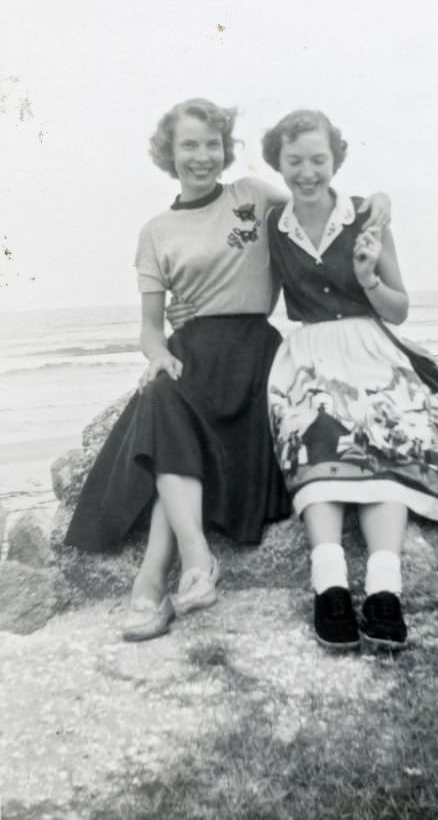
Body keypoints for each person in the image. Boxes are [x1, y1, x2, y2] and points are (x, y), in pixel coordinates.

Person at [64, 98, 390, 643]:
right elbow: (149, 326)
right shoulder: (155, 231)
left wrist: (376, 201)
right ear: (168, 153)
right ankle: (196, 561)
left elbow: (320, 209)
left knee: (174, 433)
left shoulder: (254, 196)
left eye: (212, 144)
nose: (202, 156)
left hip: (255, 352)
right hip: (190, 353)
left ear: (226, 149)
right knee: (163, 399)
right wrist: (158, 355)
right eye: (189, 145)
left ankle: (151, 582)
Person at [261, 109, 438, 652]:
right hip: (310, 352)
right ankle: (329, 587)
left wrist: (367, 279)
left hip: (370, 346)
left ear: (336, 159)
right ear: (278, 164)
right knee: (313, 432)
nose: (307, 172)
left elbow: (399, 309)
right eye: (295, 161)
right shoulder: (272, 224)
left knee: (390, 435)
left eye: (318, 159)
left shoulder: (367, 218)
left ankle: (385, 592)